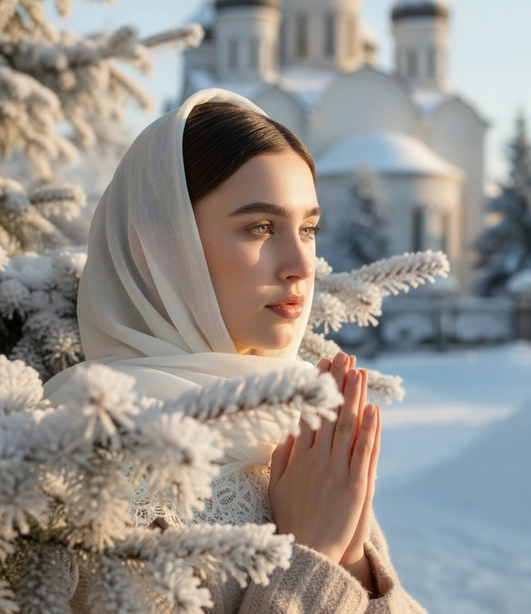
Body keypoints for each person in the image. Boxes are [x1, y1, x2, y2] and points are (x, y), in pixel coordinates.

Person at [44, 88, 428, 613]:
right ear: (158, 246)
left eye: (309, 229)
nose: (301, 263)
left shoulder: (299, 438)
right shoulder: (86, 471)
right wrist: (310, 557)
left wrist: (356, 563)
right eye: (261, 227)